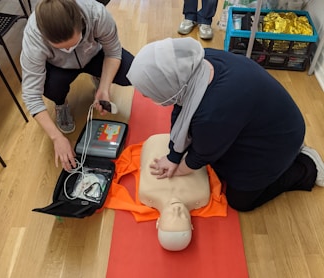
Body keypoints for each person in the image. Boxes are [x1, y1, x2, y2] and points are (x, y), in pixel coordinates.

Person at [126, 37, 324, 212]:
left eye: (148, 91)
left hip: (279, 139)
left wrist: (177, 169)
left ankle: (307, 167)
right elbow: (181, 107)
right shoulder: (197, 63)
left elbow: (199, 157)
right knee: (215, 158)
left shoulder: (211, 113)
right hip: (266, 119)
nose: (144, 96)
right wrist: (173, 155)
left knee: (240, 201)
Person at [20, 0, 134, 171]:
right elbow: (31, 94)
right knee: (50, 88)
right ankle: (60, 103)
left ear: (81, 22)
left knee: (130, 72)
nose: (68, 50)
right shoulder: (34, 36)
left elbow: (113, 51)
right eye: (61, 48)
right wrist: (57, 138)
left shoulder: (96, 14)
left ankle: (99, 76)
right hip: (59, 67)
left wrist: (104, 87)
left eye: (74, 43)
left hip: (94, 55)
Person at [139, 133, 211, 251]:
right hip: (192, 136)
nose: (177, 210)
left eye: (171, 216)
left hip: (159, 140)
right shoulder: (202, 195)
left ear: (158, 222)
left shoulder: (146, 192)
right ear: (192, 226)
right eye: (182, 217)